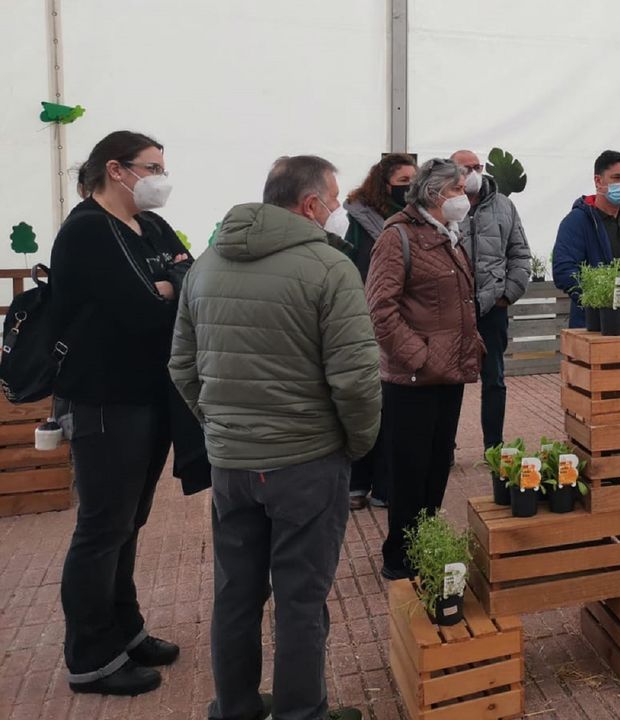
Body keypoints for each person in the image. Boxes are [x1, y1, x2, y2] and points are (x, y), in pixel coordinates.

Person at [171, 154, 381, 720]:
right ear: (310, 205)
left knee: (235, 595)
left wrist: (220, 426)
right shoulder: (331, 267)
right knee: (301, 601)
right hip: (307, 462)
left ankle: (235, 708)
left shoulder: (207, 263)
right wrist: (357, 444)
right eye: (334, 202)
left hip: (232, 465)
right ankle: (301, 712)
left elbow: (182, 366)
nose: (339, 211)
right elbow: (357, 380)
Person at [51, 130, 188, 696]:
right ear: (116, 168)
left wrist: (168, 287)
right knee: (102, 526)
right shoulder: (87, 230)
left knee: (130, 521)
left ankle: (124, 628)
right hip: (105, 398)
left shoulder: (150, 226)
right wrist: (163, 292)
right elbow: (138, 311)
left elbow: (191, 277)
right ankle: (90, 655)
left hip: (151, 393)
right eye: (151, 165)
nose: (161, 175)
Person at [367, 158, 483, 581]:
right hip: (413, 379)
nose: (463, 198)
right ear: (435, 195)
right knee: (409, 469)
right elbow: (380, 309)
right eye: (456, 190)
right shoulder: (398, 237)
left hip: (447, 373)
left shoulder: (447, 235)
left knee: (436, 464)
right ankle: (399, 555)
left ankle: (424, 540)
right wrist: (419, 357)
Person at [344, 153, 417, 510]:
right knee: (367, 404)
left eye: (413, 182)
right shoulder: (361, 220)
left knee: (394, 408)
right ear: (384, 183)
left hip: (403, 323)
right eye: (403, 182)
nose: (410, 189)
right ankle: (357, 483)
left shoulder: (414, 218)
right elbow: (354, 268)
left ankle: (385, 486)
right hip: (368, 321)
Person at [450, 149, 532, 452]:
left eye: (477, 166)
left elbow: (520, 254)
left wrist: (507, 294)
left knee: (494, 379)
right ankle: (444, 446)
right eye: (465, 168)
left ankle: (493, 447)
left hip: (491, 308)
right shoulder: (442, 207)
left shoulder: (503, 205)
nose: (473, 172)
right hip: (451, 312)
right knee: (448, 381)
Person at [552, 151, 620, 327]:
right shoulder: (577, 221)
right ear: (598, 181)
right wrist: (599, 300)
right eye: (617, 177)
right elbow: (564, 270)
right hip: (593, 326)